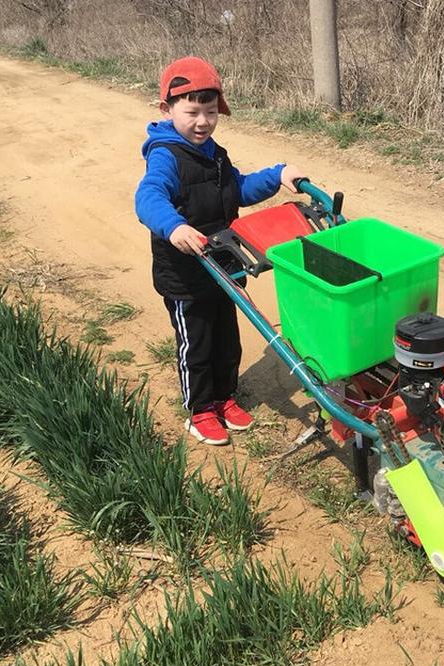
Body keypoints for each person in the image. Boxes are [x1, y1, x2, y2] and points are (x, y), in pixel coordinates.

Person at [135, 56, 306, 445]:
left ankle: (225, 396)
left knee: (227, 341)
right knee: (197, 344)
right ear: (167, 109)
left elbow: (238, 189)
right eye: (192, 111)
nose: (202, 122)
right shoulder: (164, 155)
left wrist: (277, 176)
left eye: (210, 112)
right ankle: (200, 410)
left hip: (223, 267)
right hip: (185, 275)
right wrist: (174, 225)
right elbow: (149, 197)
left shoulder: (214, 152)